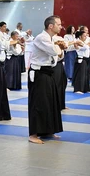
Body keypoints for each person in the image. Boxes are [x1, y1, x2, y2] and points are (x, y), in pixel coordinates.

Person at [28, 15, 67, 144]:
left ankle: (47, 130)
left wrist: (61, 47)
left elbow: (58, 57)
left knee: (50, 103)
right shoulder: (41, 38)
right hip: (38, 74)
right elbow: (53, 51)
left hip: (48, 73)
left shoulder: (52, 38)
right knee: (38, 104)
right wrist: (60, 46)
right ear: (51, 26)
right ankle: (33, 134)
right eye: (59, 24)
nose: (60, 26)